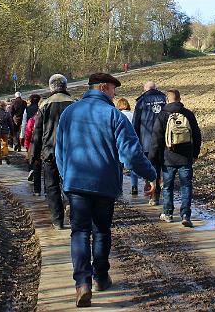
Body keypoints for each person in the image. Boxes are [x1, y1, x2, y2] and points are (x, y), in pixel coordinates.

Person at [55, 72, 157, 308]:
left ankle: (82, 283)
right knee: (101, 230)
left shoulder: (69, 113)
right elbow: (131, 155)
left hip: (76, 183)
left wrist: (66, 176)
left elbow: (59, 151)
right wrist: (150, 175)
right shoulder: (114, 115)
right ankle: (101, 277)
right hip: (103, 185)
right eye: (113, 90)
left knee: (79, 232)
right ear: (103, 88)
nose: (115, 95)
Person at [149, 89, 202, 228]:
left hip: (168, 159)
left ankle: (168, 213)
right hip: (186, 158)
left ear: (167, 100)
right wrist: (195, 154)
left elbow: (156, 139)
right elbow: (197, 135)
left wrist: (153, 158)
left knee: (167, 187)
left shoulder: (163, 115)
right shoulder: (188, 114)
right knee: (186, 186)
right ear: (179, 99)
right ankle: (186, 215)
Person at [30, 74, 73, 229]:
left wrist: (34, 156)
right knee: (71, 183)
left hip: (50, 151)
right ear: (65, 86)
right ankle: (71, 209)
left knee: (51, 185)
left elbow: (37, 132)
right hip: (71, 153)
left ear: (50, 87)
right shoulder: (74, 104)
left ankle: (57, 220)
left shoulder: (44, 105)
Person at [132, 80, 166, 205]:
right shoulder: (164, 98)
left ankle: (154, 195)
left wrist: (135, 141)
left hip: (146, 141)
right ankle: (164, 196)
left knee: (151, 167)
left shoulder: (141, 101)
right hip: (163, 140)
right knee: (163, 167)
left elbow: (135, 122)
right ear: (155, 88)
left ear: (145, 89)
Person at [115, 98, 135, 192]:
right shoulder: (132, 115)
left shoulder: (118, 115)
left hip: (120, 143)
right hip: (131, 143)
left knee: (120, 166)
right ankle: (134, 186)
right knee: (133, 166)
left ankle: (119, 186)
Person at [0, 100, 15, 165]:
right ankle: (5, 155)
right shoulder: (7, 113)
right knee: (5, 143)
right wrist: (12, 132)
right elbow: (11, 124)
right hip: (5, 130)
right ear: (4, 106)